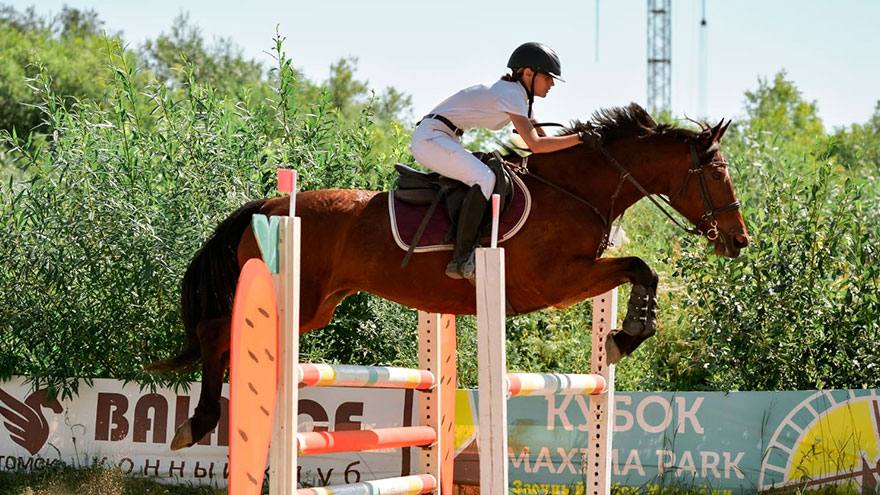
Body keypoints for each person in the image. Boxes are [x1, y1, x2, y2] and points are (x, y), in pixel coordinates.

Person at [410, 42, 594, 280]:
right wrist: (579, 138)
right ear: (528, 73)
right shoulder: (511, 95)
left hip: (443, 137)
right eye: (548, 78)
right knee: (485, 178)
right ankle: (462, 256)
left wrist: (580, 146)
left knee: (485, 176)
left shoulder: (518, 97)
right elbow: (536, 145)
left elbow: (543, 143)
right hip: (430, 138)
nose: (551, 85)